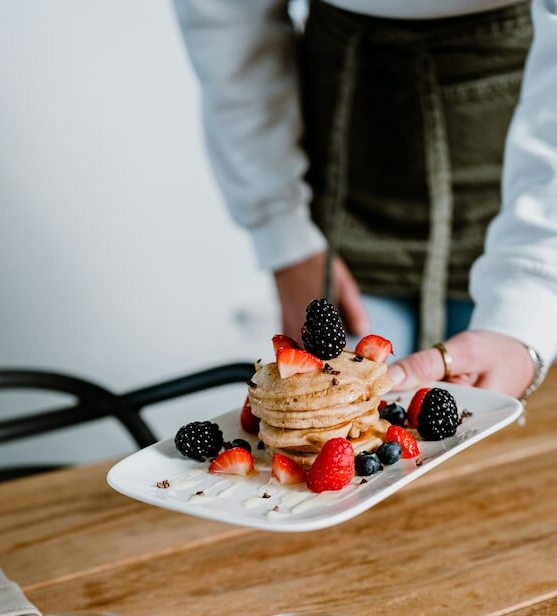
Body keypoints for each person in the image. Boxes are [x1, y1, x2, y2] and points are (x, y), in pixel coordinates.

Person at [173, 0, 557, 400]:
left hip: (534, 186)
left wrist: (532, 297)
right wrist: (283, 235)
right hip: (342, 197)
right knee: (341, 425)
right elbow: (226, 18)